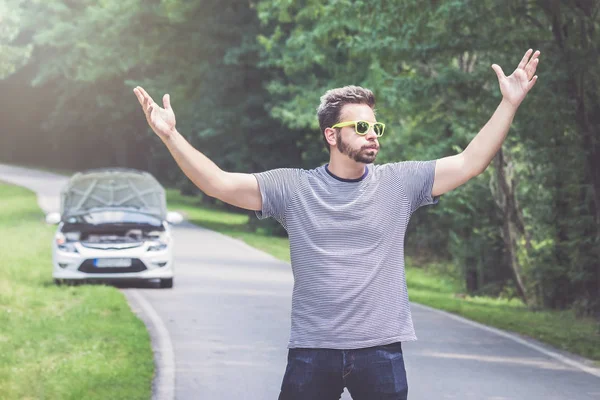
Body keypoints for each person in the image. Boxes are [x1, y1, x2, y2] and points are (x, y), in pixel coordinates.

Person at [133, 49, 540, 400]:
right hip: (313, 351)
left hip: (381, 351)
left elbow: (470, 162)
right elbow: (218, 183)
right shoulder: (293, 187)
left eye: (375, 127)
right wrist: (171, 136)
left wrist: (509, 104)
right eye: (360, 128)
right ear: (331, 134)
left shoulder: (400, 182)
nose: (372, 136)